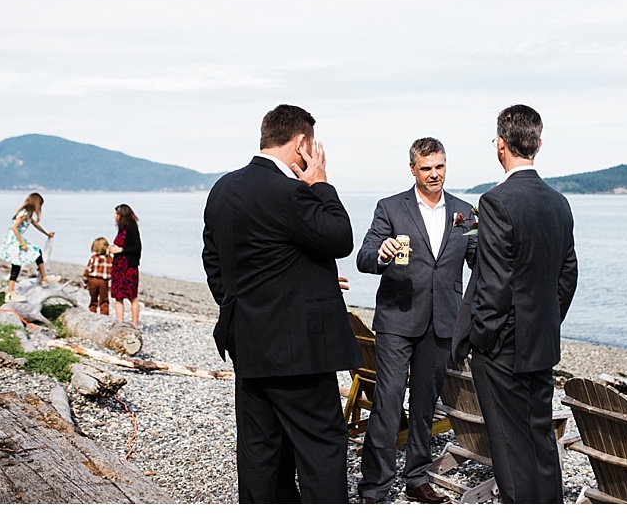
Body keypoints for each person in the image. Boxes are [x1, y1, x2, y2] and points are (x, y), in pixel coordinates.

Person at [202, 103, 361, 504]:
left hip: (248, 343)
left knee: (261, 450)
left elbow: (215, 260)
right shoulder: (289, 191)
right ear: (302, 144)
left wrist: (244, 308)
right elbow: (340, 236)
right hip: (299, 351)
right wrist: (320, 182)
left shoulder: (223, 189)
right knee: (321, 444)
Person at [452, 104, 578, 504]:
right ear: (538, 144)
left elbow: (493, 283)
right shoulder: (559, 202)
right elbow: (568, 274)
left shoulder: (495, 201)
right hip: (541, 342)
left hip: (502, 347)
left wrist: (485, 338)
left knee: (509, 446)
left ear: (501, 145)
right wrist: (547, 319)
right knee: (540, 437)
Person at [356, 137, 477, 505]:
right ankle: (375, 485)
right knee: (389, 403)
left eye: (439, 167)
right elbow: (363, 257)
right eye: (426, 168)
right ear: (413, 170)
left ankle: (417, 477)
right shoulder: (390, 208)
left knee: (425, 406)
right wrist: (381, 253)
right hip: (397, 320)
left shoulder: (464, 211)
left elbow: (480, 260)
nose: (434, 174)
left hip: (442, 322)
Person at [0, 192, 55, 302]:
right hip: (14, 241)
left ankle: (43, 278)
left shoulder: (28, 214)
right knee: (19, 264)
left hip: (16, 240)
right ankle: (11, 293)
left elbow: (36, 225)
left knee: (33, 255)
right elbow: (14, 228)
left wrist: (47, 234)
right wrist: (22, 243)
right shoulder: (24, 213)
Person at [109, 204, 142, 328]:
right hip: (118, 267)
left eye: (116, 214)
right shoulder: (121, 228)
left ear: (122, 215)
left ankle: (134, 324)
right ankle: (120, 322)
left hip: (128, 267)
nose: (114, 216)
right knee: (118, 296)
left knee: (132, 296)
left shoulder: (132, 228)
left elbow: (137, 248)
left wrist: (121, 250)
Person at [82, 237, 112, 316]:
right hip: (104, 282)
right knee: (104, 300)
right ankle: (104, 316)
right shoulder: (110, 259)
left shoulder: (93, 258)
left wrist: (85, 283)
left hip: (93, 280)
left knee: (93, 299)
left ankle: (92, 314)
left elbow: (87, 271)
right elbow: (113, 274)